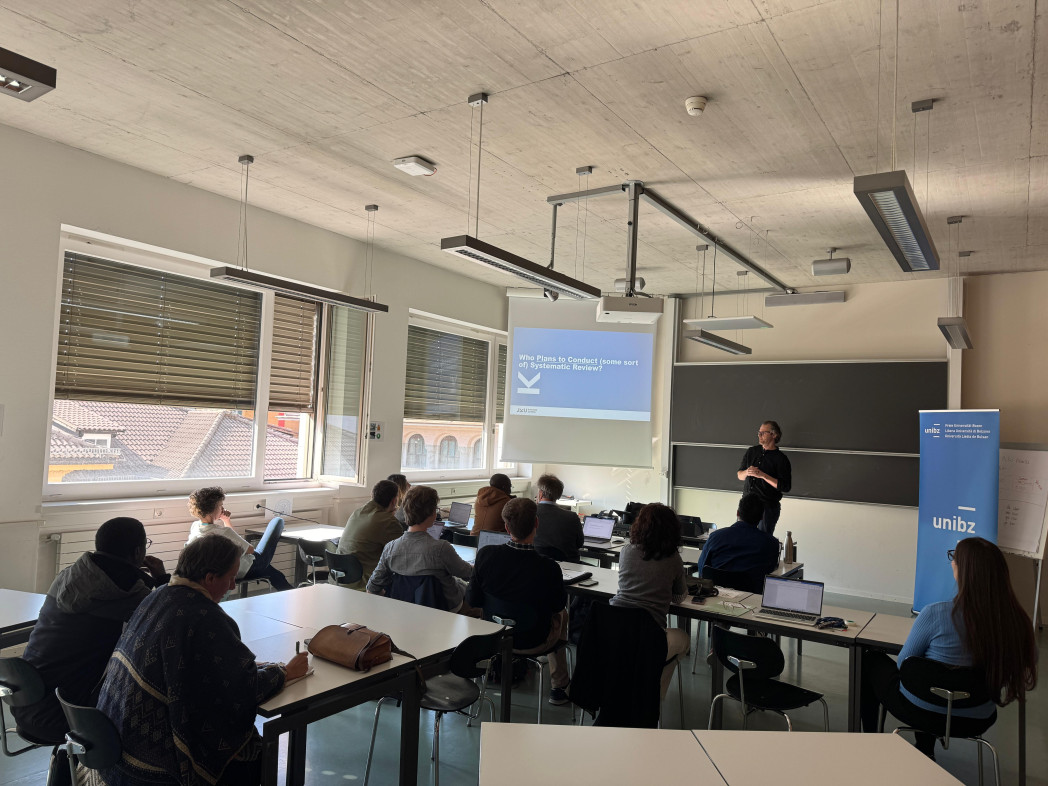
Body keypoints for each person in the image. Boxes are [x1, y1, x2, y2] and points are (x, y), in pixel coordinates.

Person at [92, 535, 308, 786]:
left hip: (113, 748)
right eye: (230, 578)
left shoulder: (159, 595)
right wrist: (284, 673)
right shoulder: (205, 617)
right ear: (209, 578)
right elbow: (242, 690)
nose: (232, 587)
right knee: (251, 752)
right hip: (151, 765)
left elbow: (192, 665)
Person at [860, 537, 1037, 758]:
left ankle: (868, 742)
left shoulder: (936, 613)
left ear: (965, 570)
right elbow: (1027, 661)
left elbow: (904, 663)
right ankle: (924, 747)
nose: (952, 562)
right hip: (977, 717)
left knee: (870, 660)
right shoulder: (1017, 622)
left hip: (921, 711)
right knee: (935, 674)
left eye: (955, 557)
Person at [12, 517, 169, 746]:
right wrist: (162, 578)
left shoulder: (68, 576)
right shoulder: (129, 593)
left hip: (26, 701)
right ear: (138, 552)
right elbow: (172, 613)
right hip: (69, 715)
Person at [467, 498, 570, 704]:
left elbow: (472, 599)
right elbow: (557, 605)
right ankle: (559, 686)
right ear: (536, 524)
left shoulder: (486, 555)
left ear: (506, 526)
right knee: (563, 613)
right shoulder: (548, 567)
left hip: (494, 636)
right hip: (534, 640)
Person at [609, 503, 690, 699]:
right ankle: (652, 697)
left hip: (614, 632)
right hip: (649, 637)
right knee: (684, 639)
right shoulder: (673, 559)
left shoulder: (626, 551)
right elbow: (679, 598)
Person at [366, 485, 477, 615]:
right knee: (478, 603)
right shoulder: (441, 548)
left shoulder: (390, 548)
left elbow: (372, 588)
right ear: (432, 514)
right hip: (445, 609)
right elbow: (469, 574)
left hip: (403, 612)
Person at [186, 486, 292, 591]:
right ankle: (294, 596)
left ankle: (291, 593)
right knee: (277, 521)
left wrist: (226, 520)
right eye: (220, 506)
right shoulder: (224, 532)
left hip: (218, 572)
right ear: (213, 509)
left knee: (272, 573)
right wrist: (227, 523)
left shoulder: (195, 527)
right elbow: (250, 550)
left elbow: (233, 541)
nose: (222, 508)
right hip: (243, 569)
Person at [337, 479, 403, 590]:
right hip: (365, 583)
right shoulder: (387, 521)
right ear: (394, 501)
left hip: (341, 579)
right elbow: (402, 554)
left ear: (373, 495)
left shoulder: (357, 512)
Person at [696, 493, 780, 577]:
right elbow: (769, 572)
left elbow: (702, 569)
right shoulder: (771, 544)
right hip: (751, 589)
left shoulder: (715, 537)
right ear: (762, 517)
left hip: (718, 589)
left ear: (737, 513)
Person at [736, 420, 791, 535]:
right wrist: (747, 472)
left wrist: (763, 475)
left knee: (761, 541)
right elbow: (740, 475)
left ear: (774, 435)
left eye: (763, 433)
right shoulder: (752, 451)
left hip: (766, 508)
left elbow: (785, 486)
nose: (759, 435)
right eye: (759, 432)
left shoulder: (781, 459)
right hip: (747, 504)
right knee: (740, 537)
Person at [532, 474, 583, 563]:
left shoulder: (529, 514)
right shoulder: (572, 517)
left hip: (535, 564)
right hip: (568, 566)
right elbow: (579, 543)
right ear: (559, 495)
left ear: (540, 494)